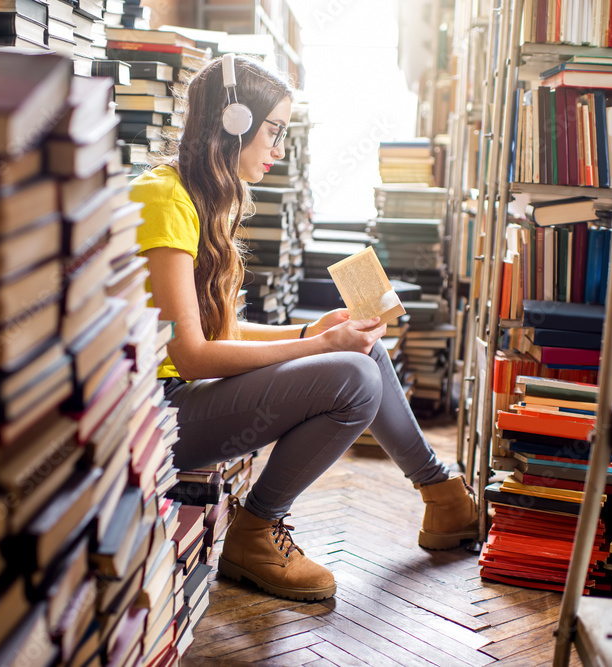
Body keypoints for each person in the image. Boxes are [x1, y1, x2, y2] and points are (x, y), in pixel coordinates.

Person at [130, 54, 478, 602]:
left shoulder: (201, 197)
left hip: (186, 397)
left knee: (365, 355)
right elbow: (193, 354)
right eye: (273, 131)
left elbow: (218, 331)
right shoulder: (164, 198)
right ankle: (256, 532)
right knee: (353, 380)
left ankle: (443, 498)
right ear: (234, 121)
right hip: (158, 418)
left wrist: (309, 333)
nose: (278, 148)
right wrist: (319, 345)